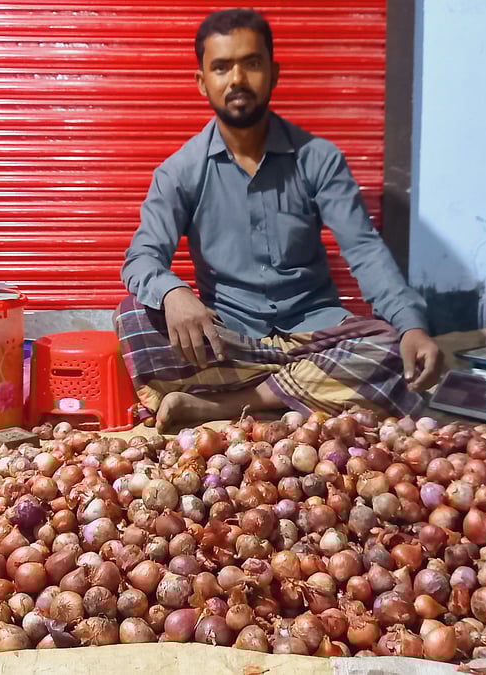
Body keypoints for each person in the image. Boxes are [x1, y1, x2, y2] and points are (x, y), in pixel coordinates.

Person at [116, 8, 443, 431]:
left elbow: (364, 250)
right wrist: (174, 293)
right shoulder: (180, 171)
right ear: (203, 82)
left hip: (316, 335)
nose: (236, 79)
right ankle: (299, 394)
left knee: (385, 346)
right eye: (221, 67)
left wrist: (411, 326)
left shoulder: (318, 159)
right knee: (132, 319)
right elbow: (141, 258)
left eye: (251, 63)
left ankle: (230, 403)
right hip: (233, 337)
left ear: (273, 73)